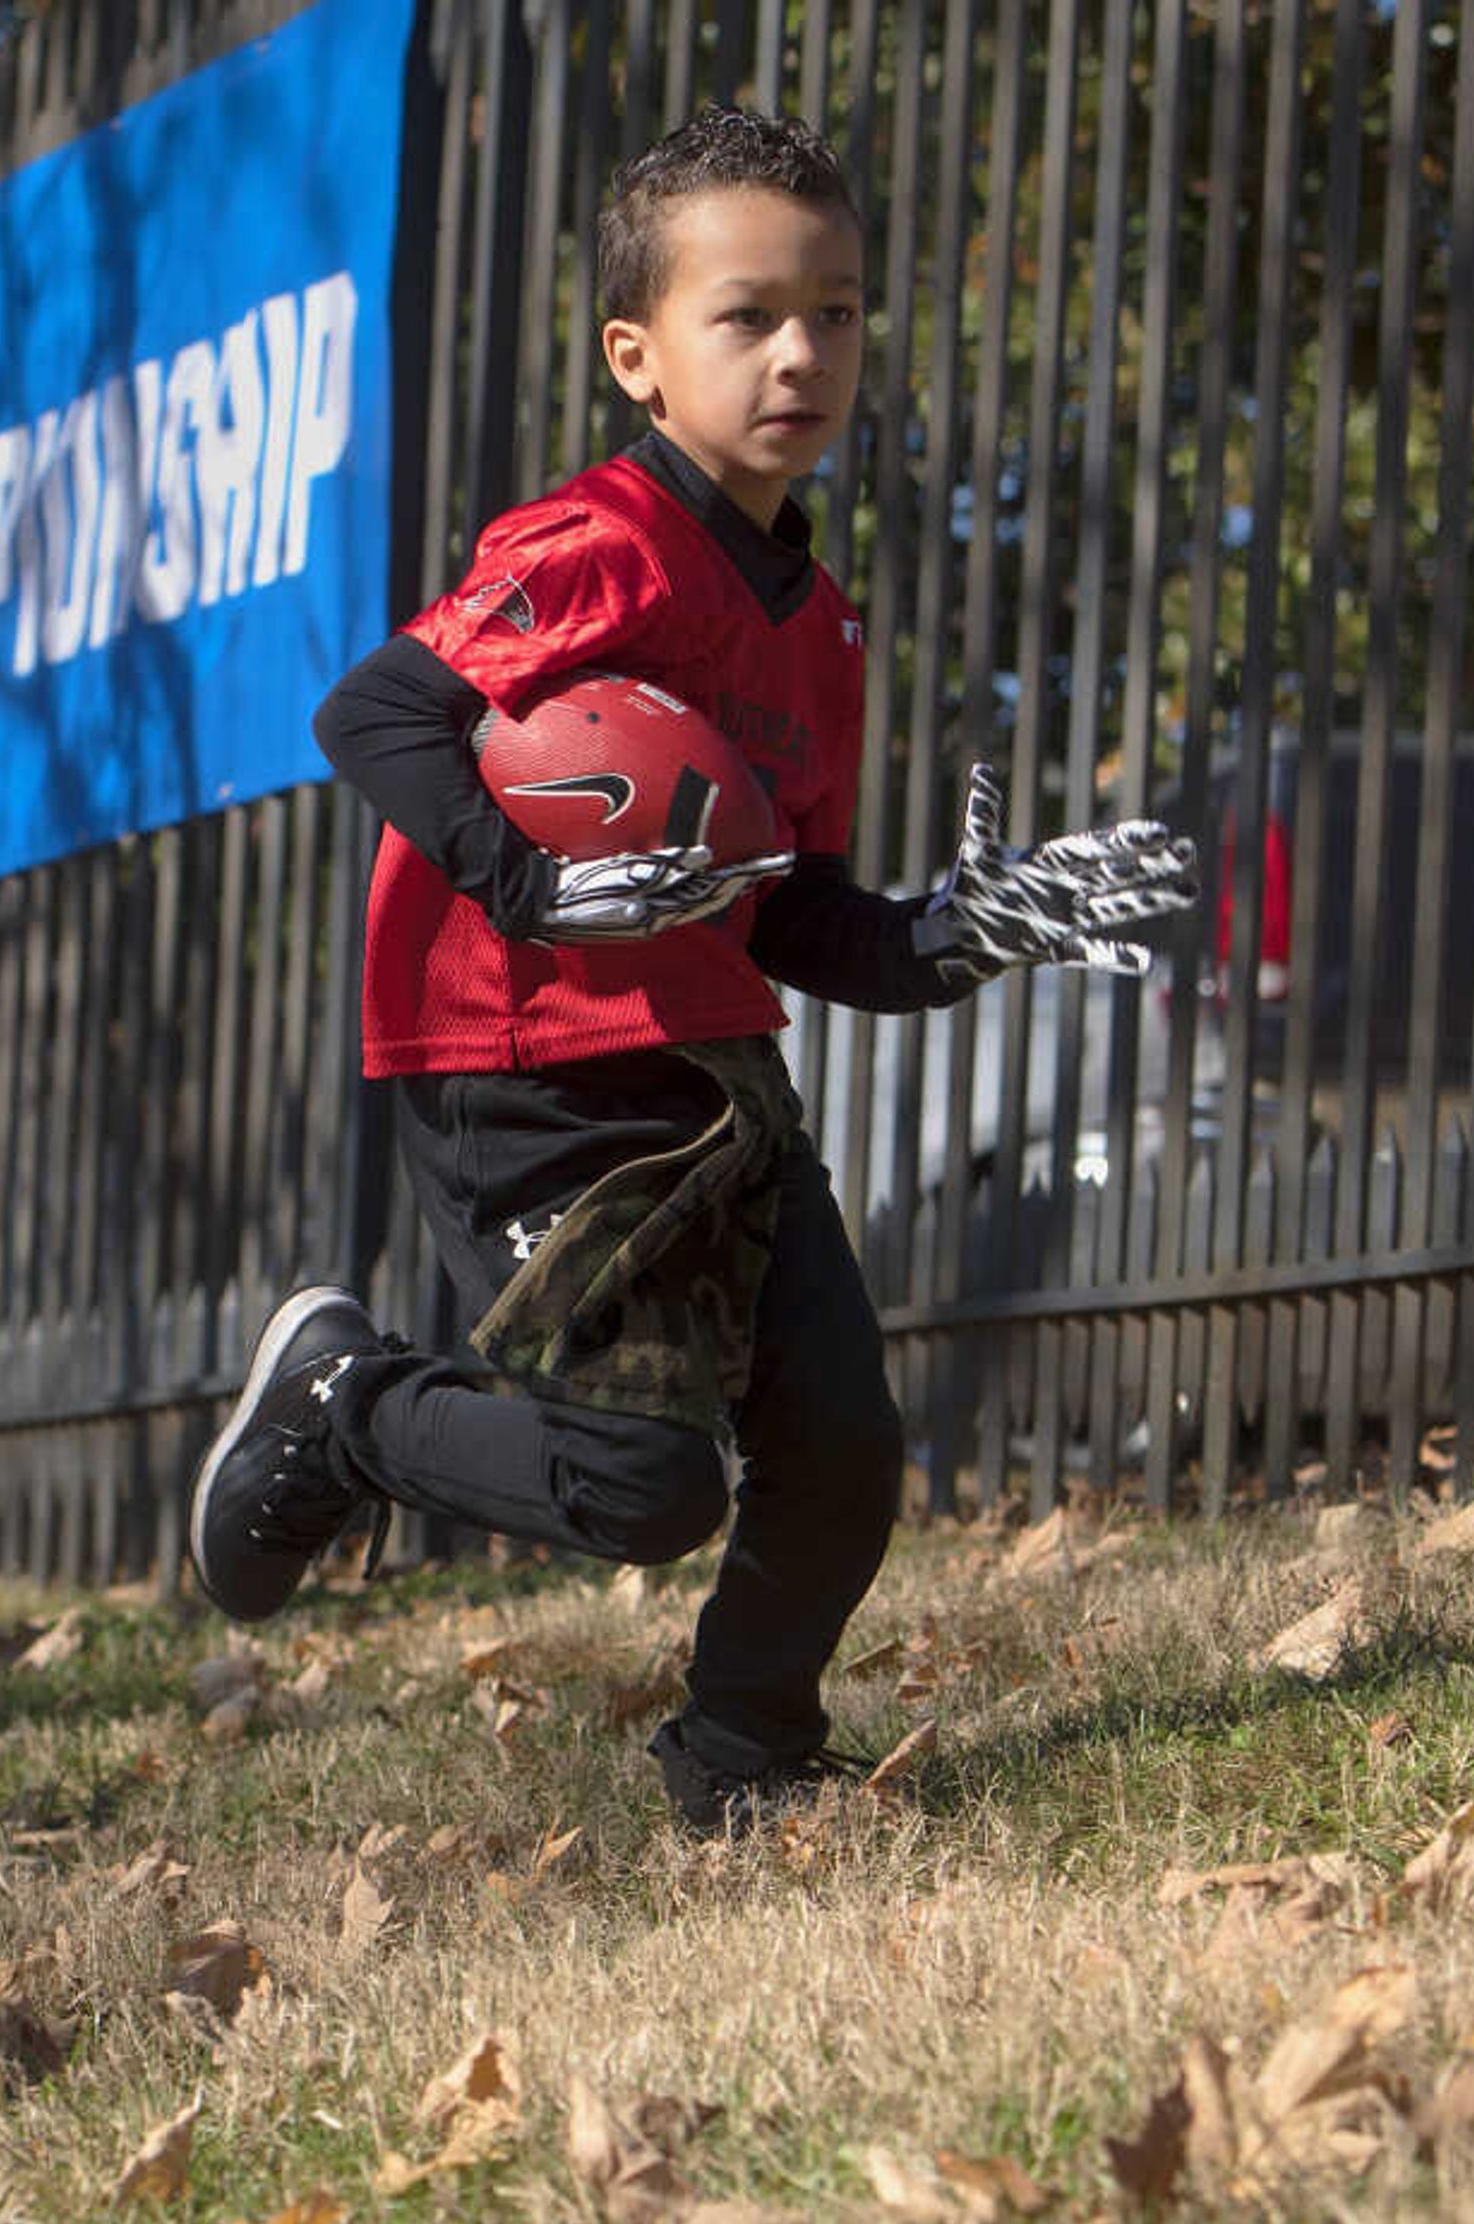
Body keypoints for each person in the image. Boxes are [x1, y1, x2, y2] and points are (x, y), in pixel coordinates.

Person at [185, 108, 1194, 1835]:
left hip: (717, 1060)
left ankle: (740, 1760)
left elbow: (781, 900)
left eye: (840, 310)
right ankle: (351, 1400)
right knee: (643, 1484)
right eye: (750, 315)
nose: (804, 351)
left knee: (844, 1448)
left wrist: (939, 938)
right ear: (639, 357)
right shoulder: (595, 543)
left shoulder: (823, 619)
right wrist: (538, 884)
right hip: (519, 1057)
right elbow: (377, 711)